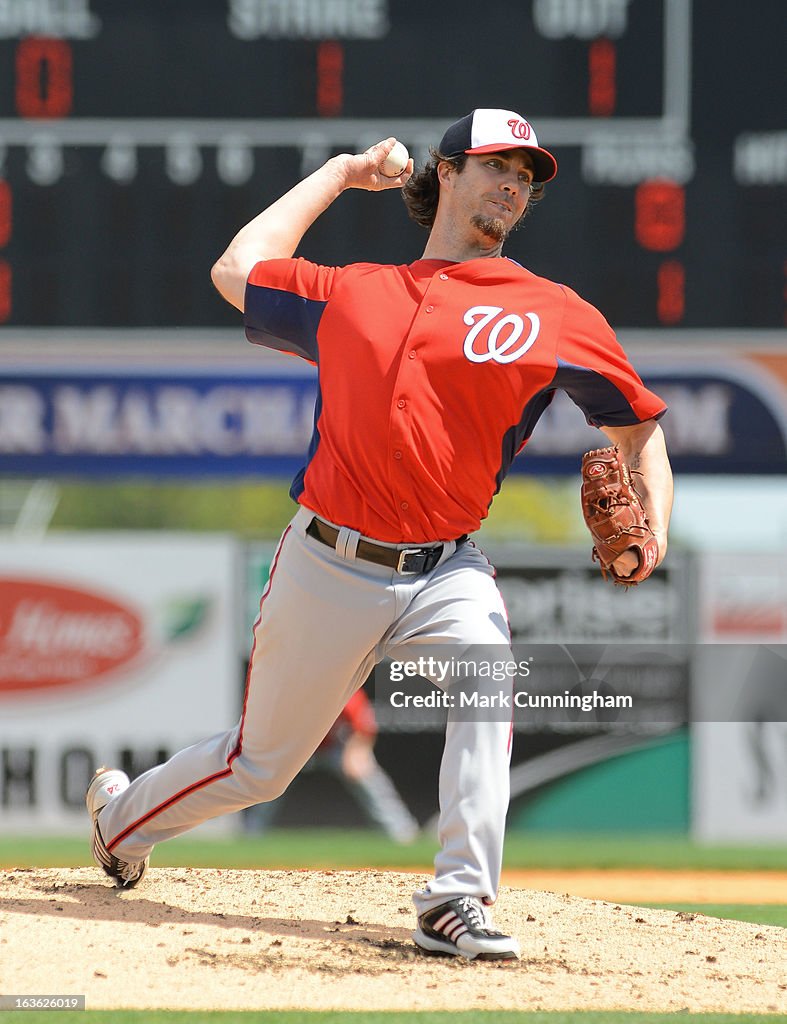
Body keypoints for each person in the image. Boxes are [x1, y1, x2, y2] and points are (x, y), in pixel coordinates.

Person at [86, 108, 672, 961]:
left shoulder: (553, 312)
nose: (515, 182)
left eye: (528, 174)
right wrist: (339, 173)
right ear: (445, 172)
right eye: (496, 165)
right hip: (329, 560)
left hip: (447, 567)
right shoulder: (354, 291)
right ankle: (119, 822)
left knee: (486, 679)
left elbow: (639, 432)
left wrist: (654, 531)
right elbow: (235, 268)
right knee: (262, 766)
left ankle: (456, 897)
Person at [243, 688, 419, 844]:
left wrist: (356, 751)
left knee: (366, 774)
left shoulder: (342, 685)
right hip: (298, 747)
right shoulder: (290, 690)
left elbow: (364, 729)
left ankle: (401, 832)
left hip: (335, 746)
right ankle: (250, 834)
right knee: (270, 778)